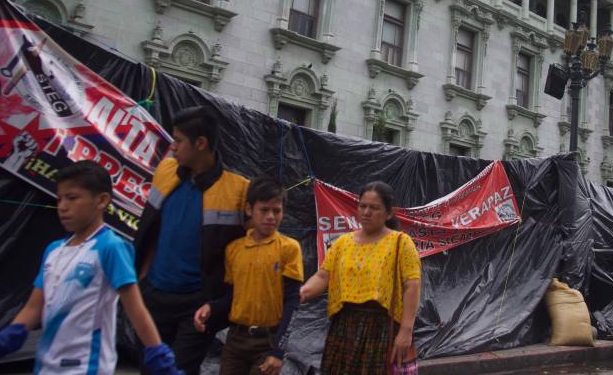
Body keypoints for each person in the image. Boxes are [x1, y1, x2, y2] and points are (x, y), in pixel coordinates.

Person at [0, 161, 180, 375]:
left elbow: (136, 310)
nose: (62, 206)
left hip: (87, 367)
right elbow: (33, 308)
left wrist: (160, 361)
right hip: (46, 367)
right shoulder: (54, 250)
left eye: (72, 198)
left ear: (102, 200)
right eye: (59, 198)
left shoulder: (111, 247)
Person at [133, 106, 249, 375]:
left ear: (201, 143)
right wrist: (142, 281)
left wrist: (218, 303)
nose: (172, 147)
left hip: (197, 304)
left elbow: (244, 252)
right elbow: (152, 230)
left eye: (178, 140)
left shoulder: (238, 190)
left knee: (181, 369)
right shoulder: (166, 171)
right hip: (153, 295)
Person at [299, 181, 421, 375]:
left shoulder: (400, 243)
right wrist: (301, 293)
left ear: (389, 213)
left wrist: (406, 331)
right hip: (344, 327)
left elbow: (411, 286)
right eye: (362, 206)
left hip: (381, 329)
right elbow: (323, 276)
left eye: (374, 208)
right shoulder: (343, 243)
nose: (366, 212)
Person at [192, 176, 303, 375]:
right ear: (249, 209)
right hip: (236, 340)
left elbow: (292, 301)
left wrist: (278, 350)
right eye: (264, 210)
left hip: (267, 340)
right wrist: (211, 307)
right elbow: (232, 296)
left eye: (276, 211)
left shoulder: (289, 248)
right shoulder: (234, 249)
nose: (270, 216)